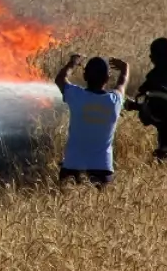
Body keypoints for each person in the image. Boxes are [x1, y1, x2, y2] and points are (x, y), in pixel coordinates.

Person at [55, 53, 129, 187]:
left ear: (85, 76)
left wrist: (72, 64)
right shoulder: (114, 101)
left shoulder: (76, 95)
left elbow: (60, 79)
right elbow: (122, 83)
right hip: (102, 169)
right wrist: (125, 69)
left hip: (72, 167)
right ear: (107, 78)